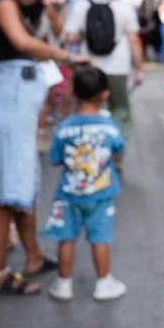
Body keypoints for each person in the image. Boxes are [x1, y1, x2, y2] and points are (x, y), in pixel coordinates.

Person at [0, 0, 83, 296]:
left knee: (20, 186)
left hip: (12, 100)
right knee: (7, 193)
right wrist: (66, 56)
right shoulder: (0, 0)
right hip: (7, 100)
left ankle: (33, 255)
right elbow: (22, 42)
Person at [44, 66, 127, 302]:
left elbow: (55, 159)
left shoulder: (64, 127)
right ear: (105, 94)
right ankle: (103, 282)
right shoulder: (109, 126)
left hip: (68, 193)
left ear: (73, 92)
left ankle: (64, 283)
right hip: (101, 193)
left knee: (66, 238)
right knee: (100, 238)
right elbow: (119, 150)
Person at [61, 0, 145, 130]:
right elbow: (134, 40)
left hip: (89, 65)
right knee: (120, 110)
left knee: (87, 109)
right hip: (118, 67)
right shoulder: (124, 7)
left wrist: (86, 36)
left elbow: (69, 37)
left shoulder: (82, 6)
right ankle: (116, 150)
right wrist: (139, 68)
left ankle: (89, 146)